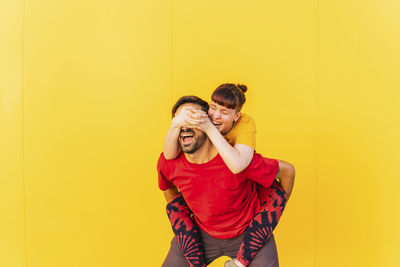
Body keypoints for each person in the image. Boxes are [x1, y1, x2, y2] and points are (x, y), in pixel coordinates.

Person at [158, 95, 295, 266]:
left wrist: (270, 215)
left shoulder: (236, 159)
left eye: (194, 119)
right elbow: (167, 186)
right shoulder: (168, 163)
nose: (185, 126)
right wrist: (184, 219)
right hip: (202, 234)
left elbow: (287, 172)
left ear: (208, 124)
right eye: (180, 120)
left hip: (247, 233)